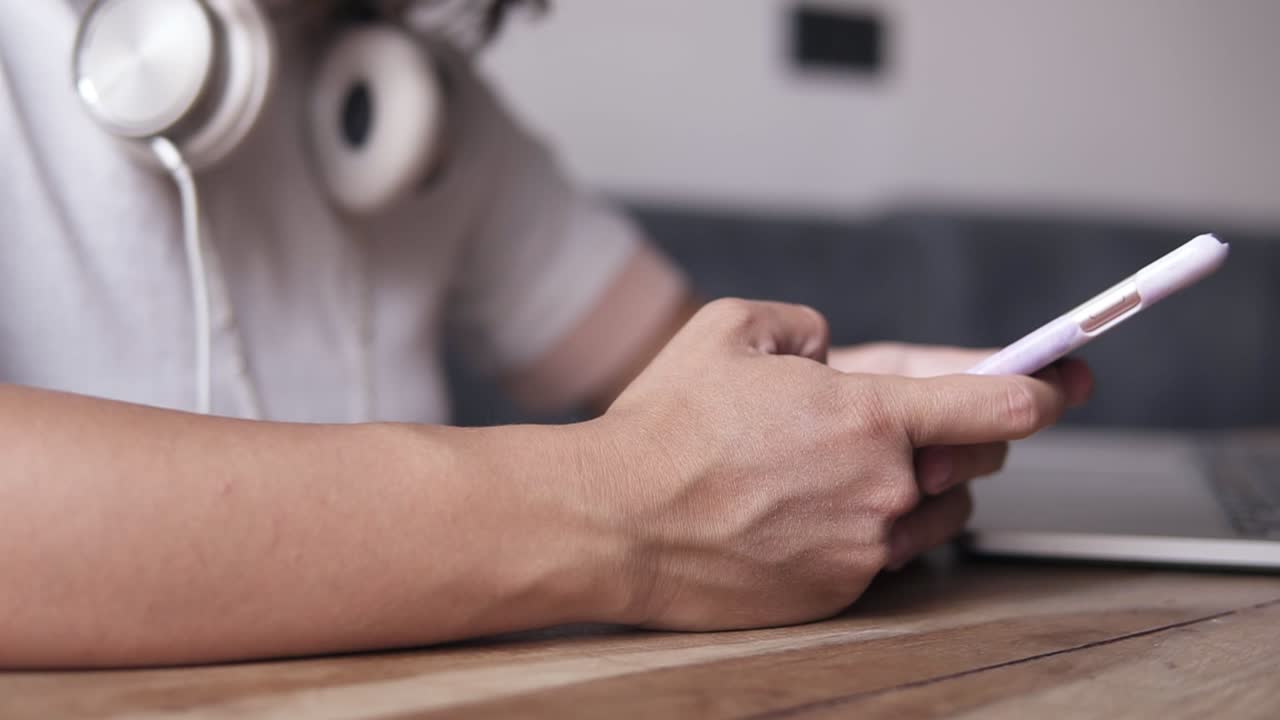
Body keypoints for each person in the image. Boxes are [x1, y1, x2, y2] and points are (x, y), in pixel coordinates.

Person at [0, 1, 1093, 668]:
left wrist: (853, 408)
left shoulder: (409, 107)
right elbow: (668, 471)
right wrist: (635, 510)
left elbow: (689, 381)